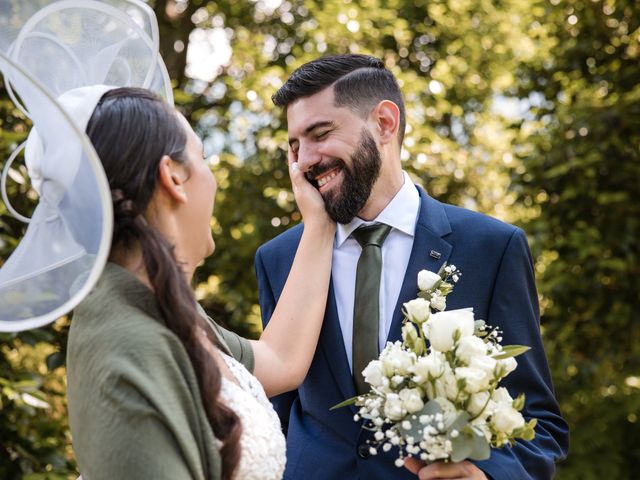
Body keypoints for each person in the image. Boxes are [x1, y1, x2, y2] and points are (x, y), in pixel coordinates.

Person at [255, 54, 569, 479]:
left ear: (385, 123)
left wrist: (487, 474)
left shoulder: (492, 247)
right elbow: (273, 417)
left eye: (320, 133)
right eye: (294, 146)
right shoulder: (277, 259)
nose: (305, 160)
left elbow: (539, 425)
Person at [64, 87, 334, 480]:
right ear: (172, 177)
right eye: (204, 159)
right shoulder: (127, 345)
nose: (214, 181)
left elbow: (280, 360)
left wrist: (320, 225)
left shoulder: (161, 308)